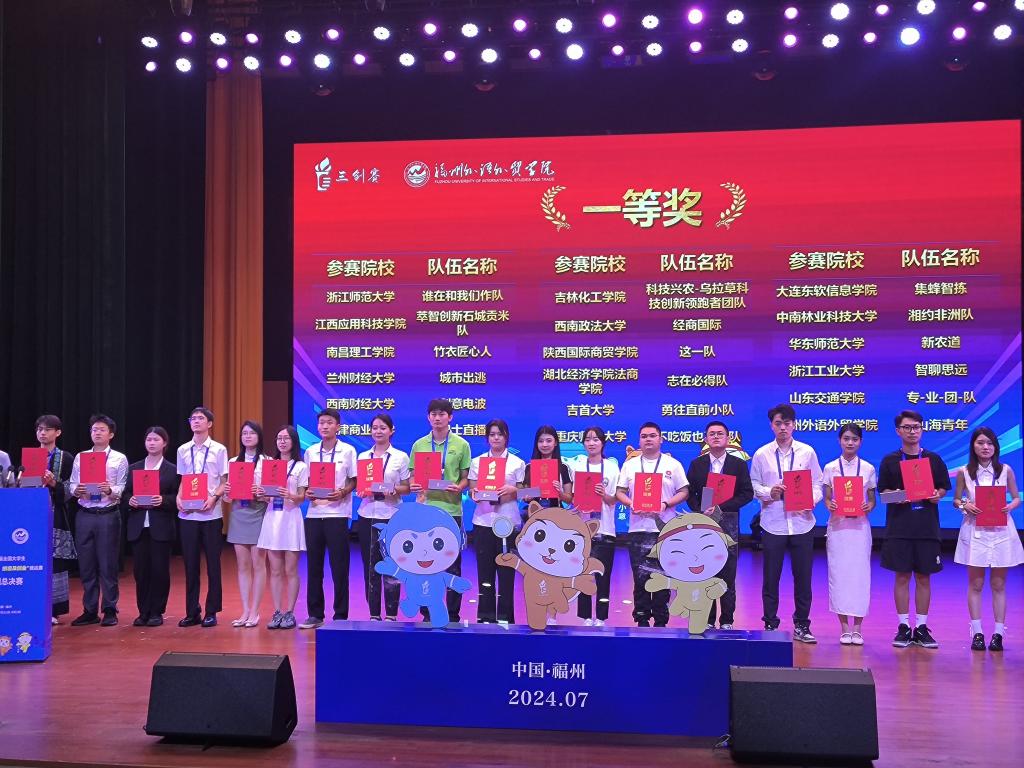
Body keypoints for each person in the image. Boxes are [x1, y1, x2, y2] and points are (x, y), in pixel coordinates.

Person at [749, 404, 823, 643]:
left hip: (802, 522)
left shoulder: (807, 452)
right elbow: (754, 485)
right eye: (778, 423)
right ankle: (770, 623)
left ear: (794, 425)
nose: (783, 428)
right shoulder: (762, 454)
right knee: (771, 577)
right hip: (773, 522)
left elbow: (817, 483)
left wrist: (811, 501)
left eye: (787, 423)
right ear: (772, 426)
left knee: (803, 577)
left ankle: (802, 624)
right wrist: (769, 492)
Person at [878, 410, 951, 649]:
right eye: (907, 427)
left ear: (922, 429)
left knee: (923, 577)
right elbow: (883, 495)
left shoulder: (933, 459)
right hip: (899, 528)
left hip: (926, 528)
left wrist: (937, 495)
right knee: (901, 576)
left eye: (916, 427)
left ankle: (920, 627)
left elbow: (943, 488)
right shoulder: (890, 460)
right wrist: (898, 496)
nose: (912, 431)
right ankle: (902, 626)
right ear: (898, 431)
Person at [952, 427, 1022, 652]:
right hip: (976, 531)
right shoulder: (964, 471)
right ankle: (977, 633)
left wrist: (1009, 506)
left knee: (999, 584)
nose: (985, 447)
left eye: (990, 443)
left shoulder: (1005, 470)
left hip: (1001, 532)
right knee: (976, 584)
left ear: (995, 447)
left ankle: (998, 634)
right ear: (973, 446)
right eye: (981, 443)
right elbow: (956, 500)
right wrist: (966, 505)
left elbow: (1017, 498)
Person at [616, 422, 689, 627]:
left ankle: (661, 619)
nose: (648, 439)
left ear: (660, 439)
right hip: (637, 528)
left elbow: (684, 491)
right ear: (639, 440)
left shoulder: (672, 464)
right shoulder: (630, 465)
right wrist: (631, 503)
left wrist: (666, 504)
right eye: (644, 436)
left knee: (663, 575)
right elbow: (620, 492)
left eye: (652, 435)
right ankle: (641, 617)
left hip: (665, 529)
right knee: (640, 575)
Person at [685, 420, 754, 629]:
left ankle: (727, 620)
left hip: (728, 524)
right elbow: (689, 493)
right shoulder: (697, 464)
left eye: (720, 433)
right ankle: (707, 619)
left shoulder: (738, 464)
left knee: (727, 573)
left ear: (728, 438)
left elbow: (747, 493)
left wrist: (721, 507)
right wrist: (699, 509)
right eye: (712, 434)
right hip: (704, 524)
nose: (716, 437)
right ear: (705, 439)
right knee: (704, 572)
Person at [408, 398, 472, 623]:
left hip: (451, 510)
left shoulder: (461, 444)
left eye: (442, 414)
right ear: (428, 417)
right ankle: (427, 611)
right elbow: (412, 475)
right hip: (425, 509)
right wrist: (414, 484)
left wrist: (460, 487)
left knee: (452, 563)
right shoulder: (419, 445)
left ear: (450, 417)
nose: (437, 418)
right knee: (425, 562)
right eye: (433, 414)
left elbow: (465, 478)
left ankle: (452, 613)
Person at [69, 414, 129, 627]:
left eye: (102, 429)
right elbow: (72, 484)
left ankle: (110, 609)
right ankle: (90, 610)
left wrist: (109, 490)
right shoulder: (81, 457)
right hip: (85, 514)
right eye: (94, 429)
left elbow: (122, 487)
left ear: (111, 434)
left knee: (107, 564)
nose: (97, 433)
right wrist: (76, 490)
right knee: (86, 565)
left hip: (107, 514)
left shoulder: (119, 458)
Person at [300, 407, 357, 629]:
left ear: (338, 427)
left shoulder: (348, 451)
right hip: (314, 514)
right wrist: (307, 492)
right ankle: (315, 614)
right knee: (314, 567)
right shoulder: (310, 452)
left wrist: (342, 492)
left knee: (339, 567)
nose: (325, 426)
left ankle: (341, 615)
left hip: (338, 514)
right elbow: (307, 482)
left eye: (329, 422)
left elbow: (354, 480)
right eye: (321, 423)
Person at [822, 423, 877, 645]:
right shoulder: (830, 468)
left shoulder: (868, 468)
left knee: (860, 577)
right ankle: (845, 627)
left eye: (854, 439)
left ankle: (858, 628)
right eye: (846, 438)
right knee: (839, 576)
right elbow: (827, 498)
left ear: (860, 442)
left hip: (860, 529)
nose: (850, 443)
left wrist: (868, 506)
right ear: (839, 441)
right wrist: (830, 504)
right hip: (838, 528)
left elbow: (872, 500)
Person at [175, 406, 229, 628]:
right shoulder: (182, 449)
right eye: (193, 418)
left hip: (211, 514)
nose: (196, 421)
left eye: (200, 418)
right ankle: (192, 611)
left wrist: (214, 498)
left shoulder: (219, 449)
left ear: (210, 424)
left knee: (213, 565)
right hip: (188, 514)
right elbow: (183, 478)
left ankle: (211, 611)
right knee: (190, 565)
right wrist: (178, 497)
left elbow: (224, 481)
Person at [468, 418, 525, 624]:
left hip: (507, 523)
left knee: (506, 573)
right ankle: (485, 616)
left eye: (500, 434)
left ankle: (505, 618)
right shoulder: (478, 462)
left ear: (506, 437)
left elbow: (526, 492)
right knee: (485, 573)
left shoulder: (517, 463)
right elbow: (472, 489)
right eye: (492, 435)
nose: (496, 438)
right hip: (483, 522)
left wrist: (514, 490)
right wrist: (475, 494)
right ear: (487, 438)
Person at [355, 414, 410, 621]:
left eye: (383, 428)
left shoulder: (400, 457)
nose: (378, 431)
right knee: (370, 566)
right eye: (375, 428)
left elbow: (407, 488)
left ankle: (392, 615)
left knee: (392, 566)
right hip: (367, 515)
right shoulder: (363, 457)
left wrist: (392, 489)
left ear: (391, 430)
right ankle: (374, 614)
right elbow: (360, 486)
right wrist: (361, 491)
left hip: (391, 516)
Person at [123, 427, 178, 627]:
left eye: (156, 439)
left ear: (165, 443)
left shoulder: (172, 469)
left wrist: (163, 500)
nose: (152, 443)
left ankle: (157, 611)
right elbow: (125, 494)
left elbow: (177, 497)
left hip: (160, 526)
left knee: (160, 571)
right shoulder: (134, 468)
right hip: (139, 525)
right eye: (149, 439)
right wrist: (130, 500)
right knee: (141, 571)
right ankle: (143, 611)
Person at [256, 425, 308, 630]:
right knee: (275, 570)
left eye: (286, 438)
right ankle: (277, 611)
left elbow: (302, 497)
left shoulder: (301, 467)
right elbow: (265, 495)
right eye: (279, 438)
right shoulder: (270, 465)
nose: (282, 442)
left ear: (294, 441)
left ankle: (290, 612)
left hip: (291, 518)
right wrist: (261, 495)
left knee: (291, 570)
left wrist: (290, 495)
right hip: (272, 517)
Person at [570, 426, 620, 627]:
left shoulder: (612, 468)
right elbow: (573, 498)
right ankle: (584, 616)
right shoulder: (577, 466)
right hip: (582, 530)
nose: (591, 443)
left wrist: (604, 495)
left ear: (603, 442)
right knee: (583, 574)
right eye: (588, 439)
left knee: (603, 576)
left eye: (596, 439)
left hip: (605, 529)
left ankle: (601, 617)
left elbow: (615, 499)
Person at [31, 415, 75, 624]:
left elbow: (69, 491)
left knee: (55, 562)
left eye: (47, 429)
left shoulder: (66, 458)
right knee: (33, 560)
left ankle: (53, 610)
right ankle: (31, 605)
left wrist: (53, 483)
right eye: (40, 429)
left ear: (58, 432)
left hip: (56, 514)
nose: (42, 433)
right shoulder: (30, 456)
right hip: (32, 516)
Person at [225, 421, 268, 628]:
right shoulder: (233, 461)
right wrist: (227, 491)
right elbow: (227, 496)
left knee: (258, 564)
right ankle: (244, 610)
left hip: (259, 512)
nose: (247, 436)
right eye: (244, 433)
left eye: (252, 433)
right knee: (242, 565)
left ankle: (255, 611)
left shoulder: (268, 461)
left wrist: (261, 491)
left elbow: (272, 493)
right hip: (239, 513)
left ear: (259, 437)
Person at [521, 426, 573, 508]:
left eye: (549, 441)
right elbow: (523, 495)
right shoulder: (529, 467)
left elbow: (569, 499)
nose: (544, 444)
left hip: (556, 513)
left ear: (555, 443)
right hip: (534, 513)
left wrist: (560, 493)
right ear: (536, 444)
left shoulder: (563, 467)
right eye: (541, 441)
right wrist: (527, 497)